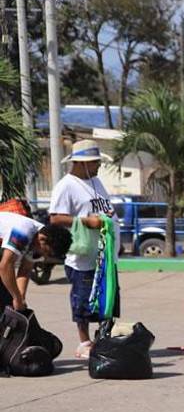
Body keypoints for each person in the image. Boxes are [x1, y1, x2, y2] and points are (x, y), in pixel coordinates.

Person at [48, 139, 116, 358]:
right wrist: (86, 221)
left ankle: (103, 340)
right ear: (81, 163)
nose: (98, 166)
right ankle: (84, 342)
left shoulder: (96, 182)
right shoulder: (66, 185)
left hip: (104, 255)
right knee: (83, 300)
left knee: (107, 300)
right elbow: (55, 218)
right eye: (95, 162)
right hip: (82, 257)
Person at [0, 212, 72, 312]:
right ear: (42, 239)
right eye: (46, 252)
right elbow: (5, 266)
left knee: (9, 299)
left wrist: (21, 298)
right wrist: (16, 297)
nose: (44, 256)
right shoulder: (23, 232)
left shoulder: (39, 239)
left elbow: (25, 270)